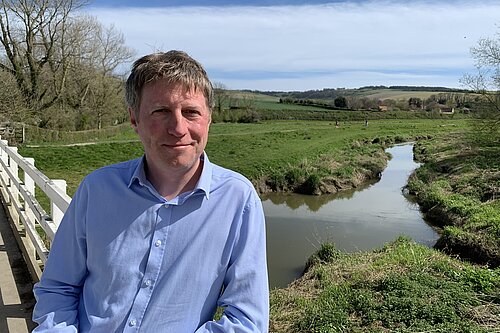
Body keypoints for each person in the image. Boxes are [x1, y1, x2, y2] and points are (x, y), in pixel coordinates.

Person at [32, 50, 269, 332]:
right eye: (161, 111)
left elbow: (246, 320)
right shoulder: (96, 191)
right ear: (134, 119)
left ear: (209, 118)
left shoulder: (238, 201)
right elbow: (58, 289)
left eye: (191, 112)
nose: (178, 128)